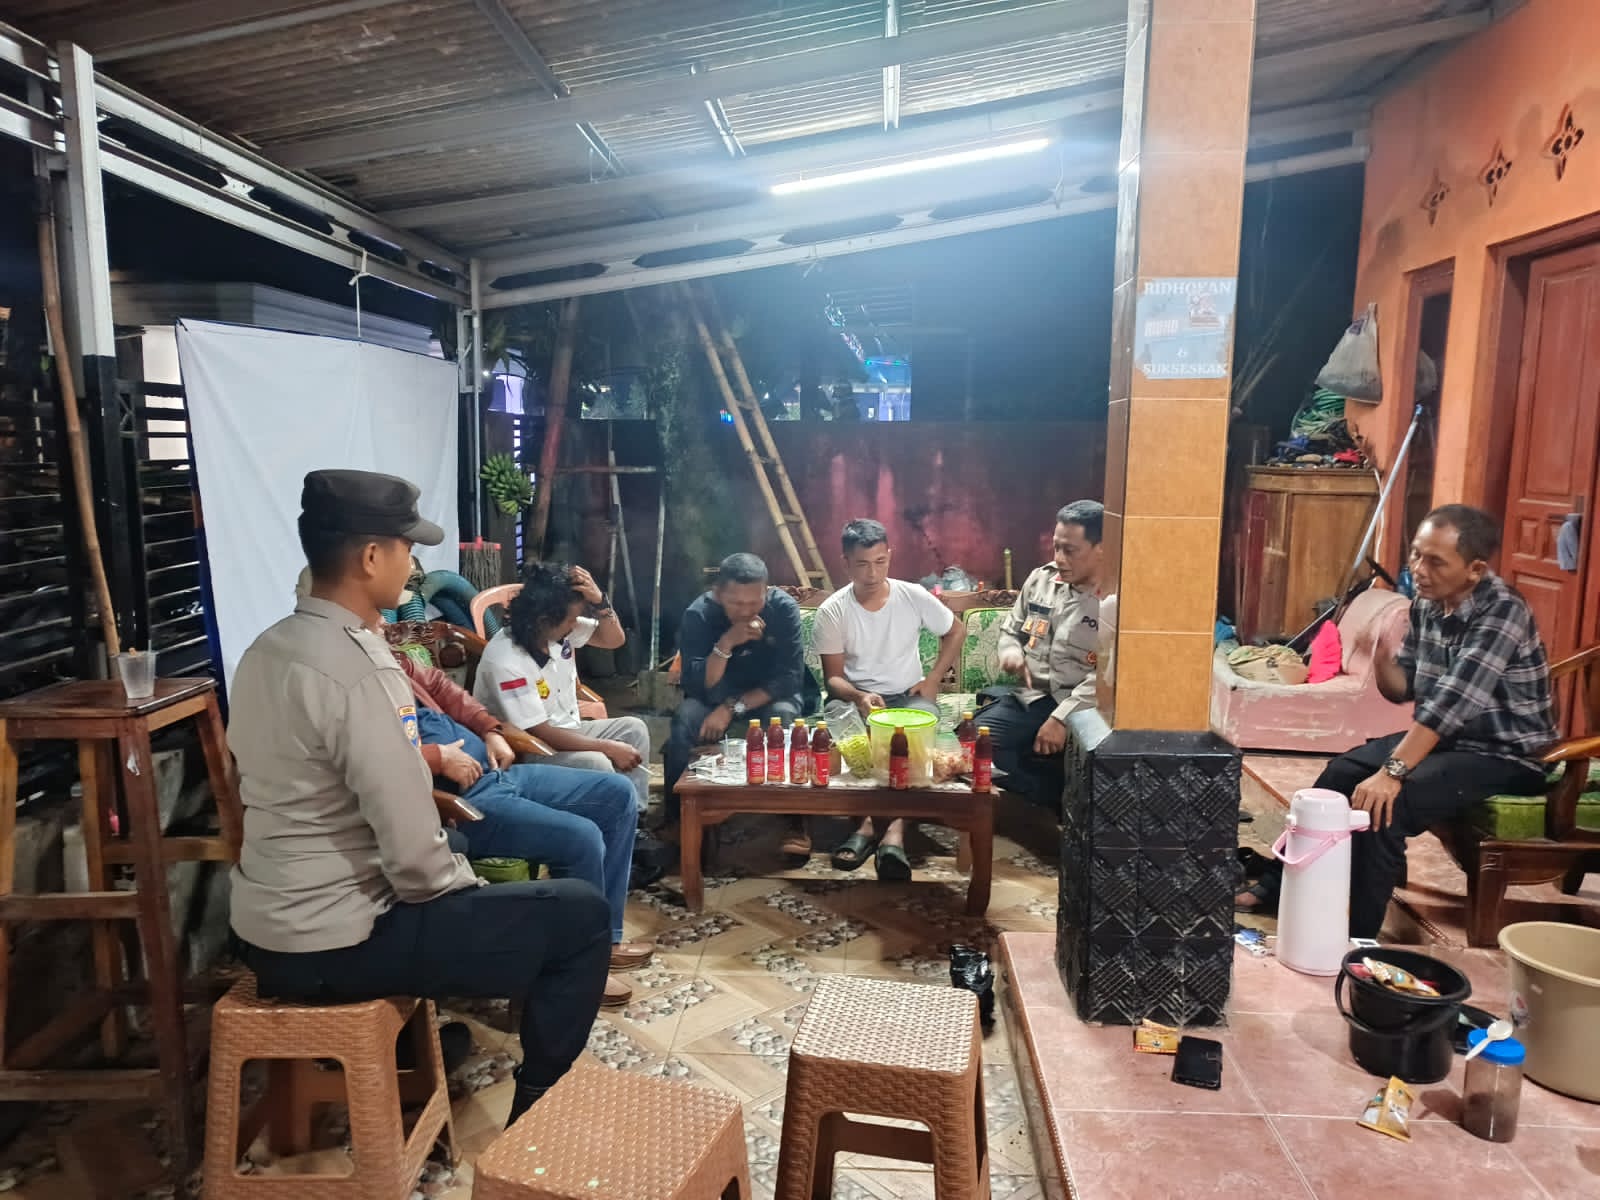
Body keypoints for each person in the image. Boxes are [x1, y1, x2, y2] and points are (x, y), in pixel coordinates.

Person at [230, 470, 610, 1127]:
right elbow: (415, 861)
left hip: (261, 927)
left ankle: (410, 1049)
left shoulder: (266, 650)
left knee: (460, 852)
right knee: (579, 918)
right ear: (371, 556)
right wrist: (472, 895)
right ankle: (537, 1116)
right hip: (333, 943)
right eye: (406, 549)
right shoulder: (360, 668)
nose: (412, 565)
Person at [294, 566, 652, 1007]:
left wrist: (491, 728)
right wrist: (437, 758)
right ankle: (578, 969)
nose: (386, 626)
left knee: (616, 795)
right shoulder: (330, 680)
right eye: (375, 617)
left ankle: (604, 941)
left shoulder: (385, 658)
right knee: (581, 837)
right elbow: (359, 762)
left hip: (494, 769)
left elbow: (441, 688)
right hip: (456, 797)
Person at [1238, 505, 1556, 937]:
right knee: (1339, 774)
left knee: (1385, 807)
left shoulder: (1502, 612)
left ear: (1475, 570)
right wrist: (1381, 659)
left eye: (1436, 561)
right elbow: (1404, 688)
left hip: (1508, 755)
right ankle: (1279, 887)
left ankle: (1356, 940)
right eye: (1416, 555)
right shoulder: (1427, 604)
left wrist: (1392, 772)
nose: (1419, 570)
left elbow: (1450, 705)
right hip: (1452, 741)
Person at [813, 518, 966, 878]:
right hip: (859, 700)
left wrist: (932, 679)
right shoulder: (833, 610)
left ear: (890, 556)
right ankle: (867, 825)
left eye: (880, 562)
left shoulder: (911, 595)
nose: (872, 573)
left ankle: (893, 832)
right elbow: (833, 678)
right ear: (845, 563)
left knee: (917, 739)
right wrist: (859, 696)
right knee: (851, 737)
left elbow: (956, 630)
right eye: (862, 564)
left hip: (907, 697)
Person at [474, 561, 652, 813]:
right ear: (545, 620)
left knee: (634, 729)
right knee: (597, 762)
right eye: (571, 619)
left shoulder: (555, 630)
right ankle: (613, 820)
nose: (575, 624)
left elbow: (614, 640)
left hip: (568, 729)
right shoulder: (506, 660)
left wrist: (601, 602)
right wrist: (608, 747)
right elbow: (542, 732)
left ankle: (636, 816)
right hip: (528, 746)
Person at [663, 552, 811, 855]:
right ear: (718, 593)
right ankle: (679, 819)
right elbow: (697, 684)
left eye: (754, 602)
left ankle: (795, 820)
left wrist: (731, 708)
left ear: (767, 591)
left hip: (770, 695)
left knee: (783, 718)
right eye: (736, 603)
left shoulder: (783, 609)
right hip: (713, 695)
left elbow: (789, 679)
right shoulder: (698, 615)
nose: (745, 611)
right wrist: (726, 643)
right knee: (685, 720)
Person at [987, 500, 1106, 810]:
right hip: (1034, 696)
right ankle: (1055, 801)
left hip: (1084, 706)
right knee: (975, 746)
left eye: (1070, 550)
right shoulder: (1041, 580)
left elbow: (1108, 673)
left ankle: (1068, 807)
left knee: (1100, 769)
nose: (1059, 558)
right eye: (1056, 547)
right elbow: (1011, 630)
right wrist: (1011, 652)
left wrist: (1062, 718)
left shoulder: (1117, 600)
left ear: (1101, 549)